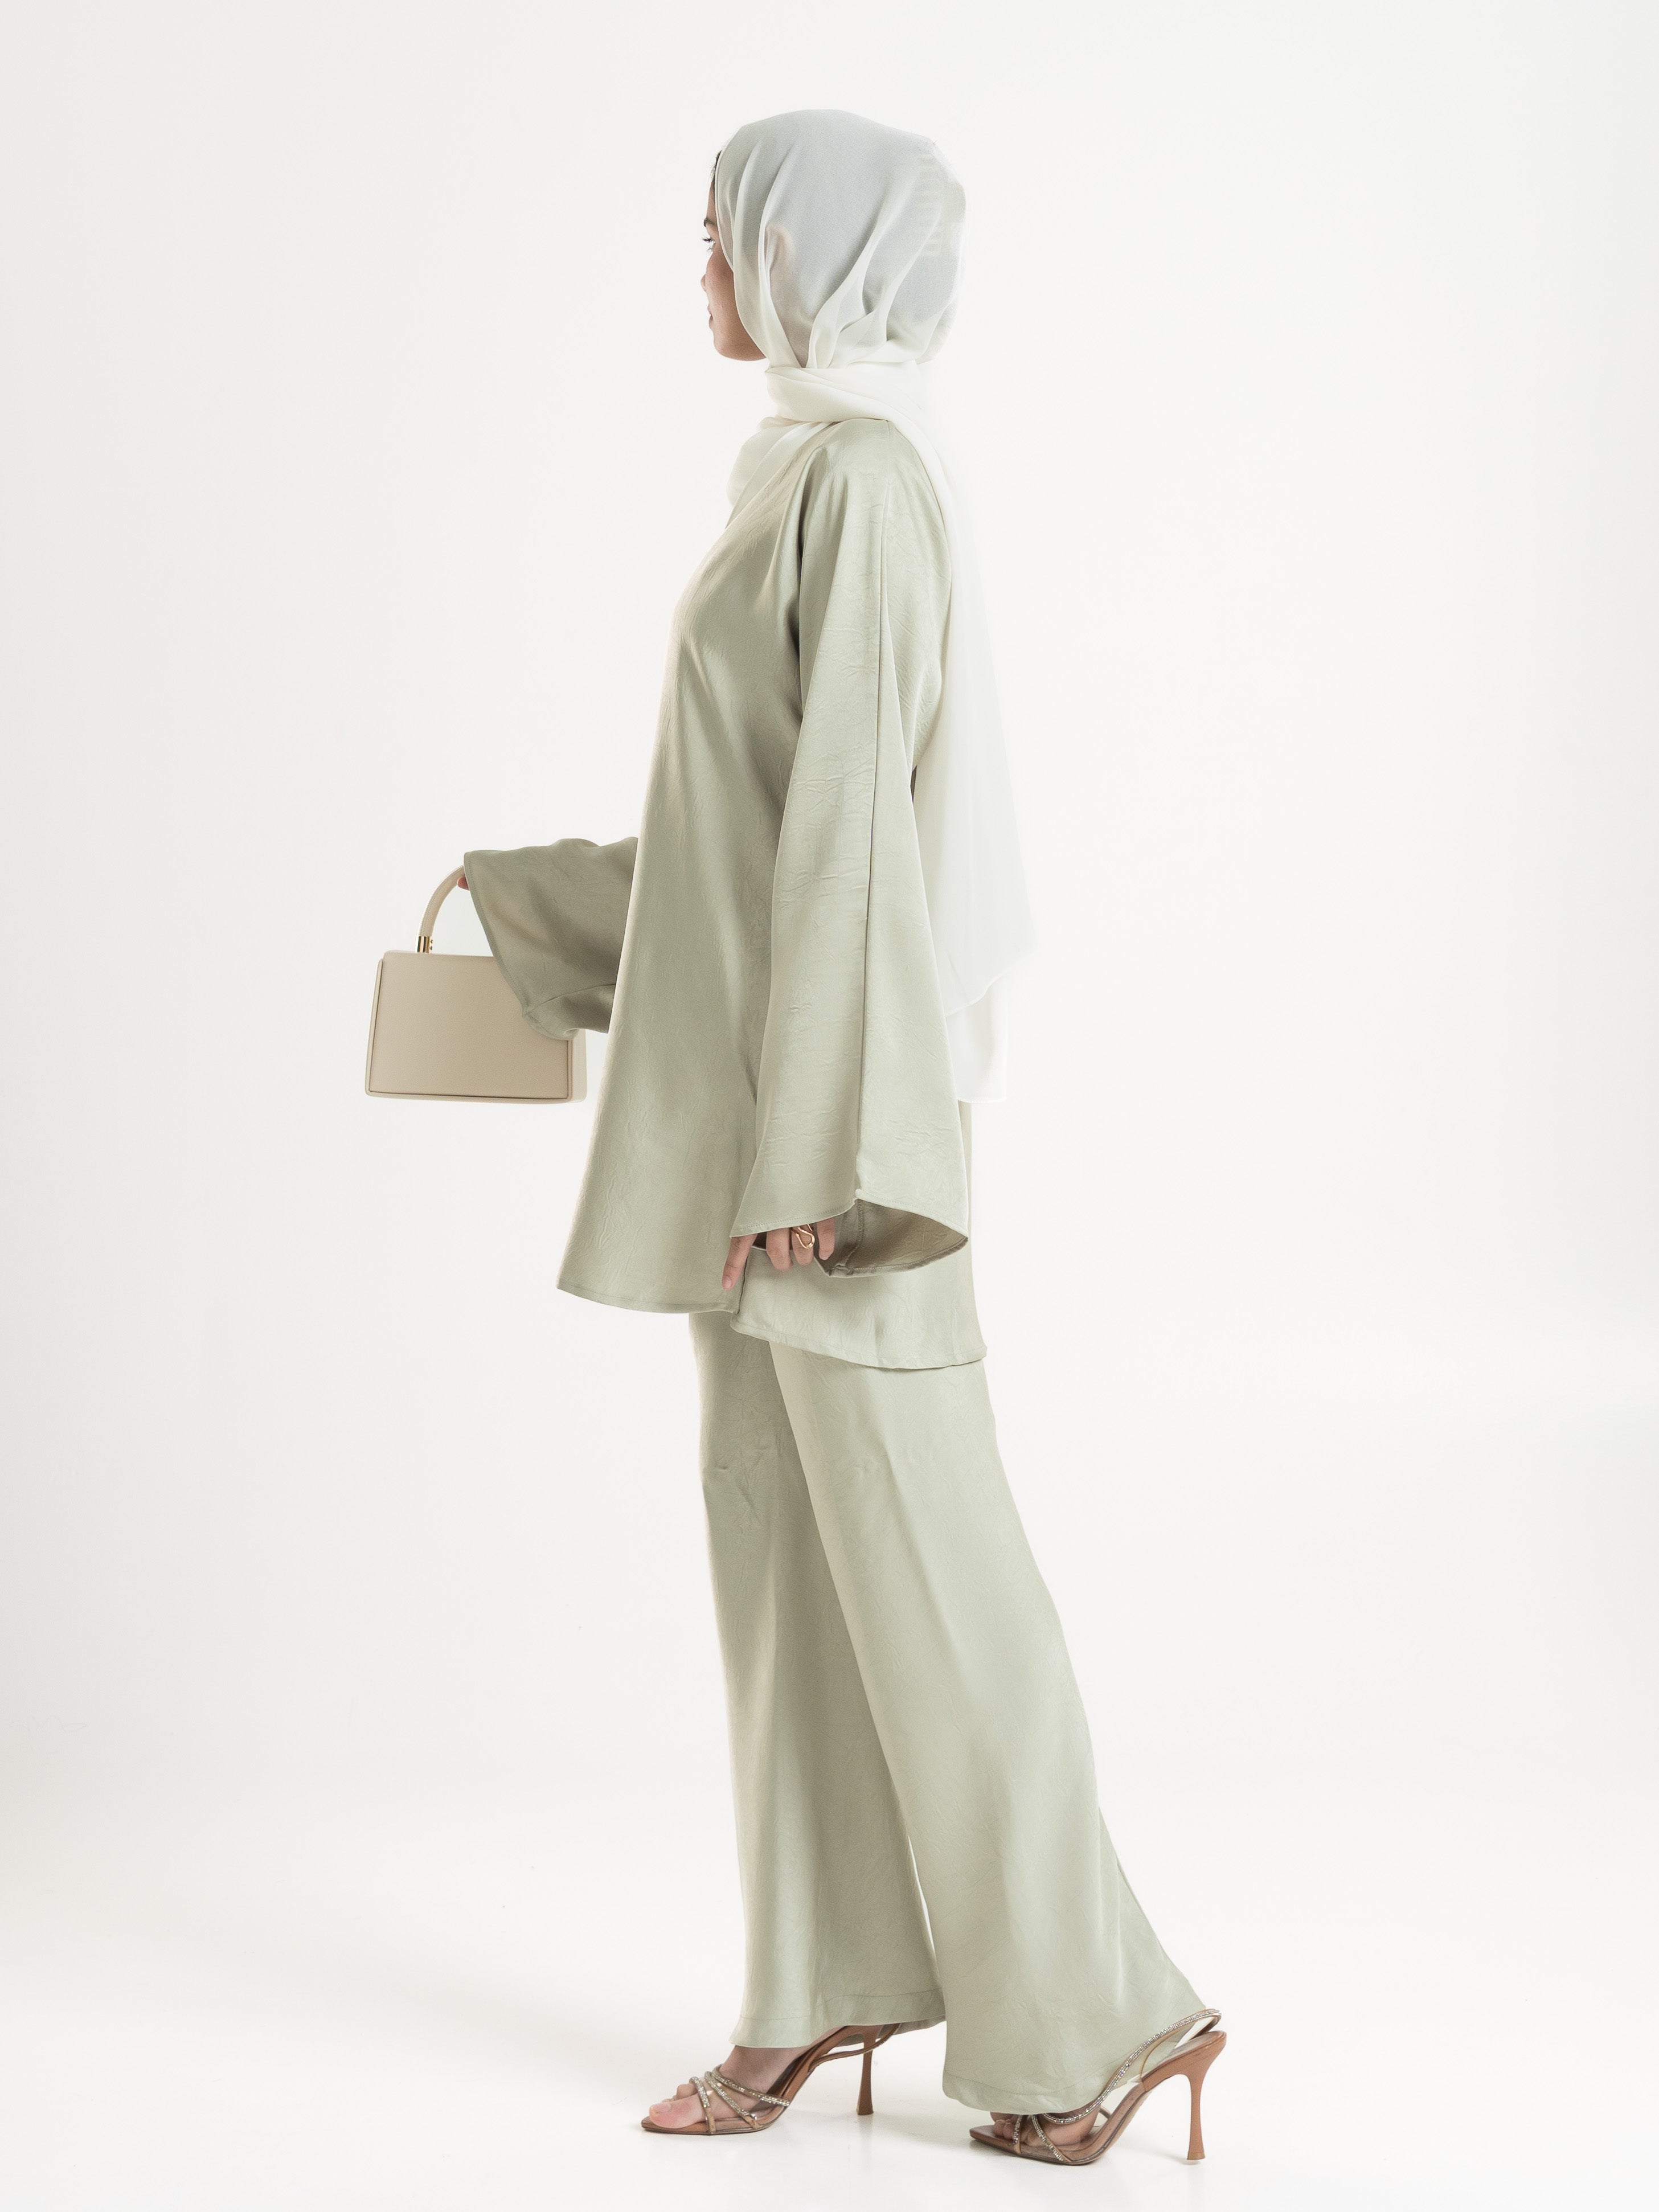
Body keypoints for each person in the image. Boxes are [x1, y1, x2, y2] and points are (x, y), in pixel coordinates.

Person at [458, 109, 1223, 2169]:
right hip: (760, 1152)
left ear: (811, 253)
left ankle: (1101, 2014)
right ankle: (820, 1979)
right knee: (788, 1573)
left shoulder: (866, 482)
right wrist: (523, 904)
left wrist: (823, 1159)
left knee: (940, 1579)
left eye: (721, 233)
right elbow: (745, 842)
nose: (703, 267)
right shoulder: (797, 467)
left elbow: (857, 852)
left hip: (837, 1164)